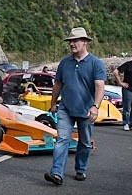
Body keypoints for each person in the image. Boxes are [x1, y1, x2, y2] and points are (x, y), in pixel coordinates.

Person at [44, 27, 106, 185]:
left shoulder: (96, 63)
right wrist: (53, 103)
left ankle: (81, 168)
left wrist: (95, 106)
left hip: (86, 110)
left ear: (84, 42)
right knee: (62, 140)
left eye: (75, 40)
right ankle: (57, 173)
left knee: (85, 142)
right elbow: (58, 84)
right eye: (70, 41)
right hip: (65, 108)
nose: (72, 44)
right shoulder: (65, 63)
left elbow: (99, 86)